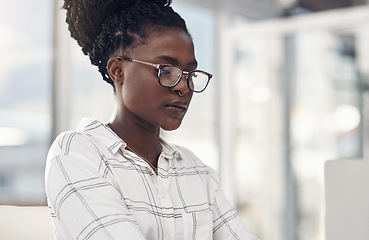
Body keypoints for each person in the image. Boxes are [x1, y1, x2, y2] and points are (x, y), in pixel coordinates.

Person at [45, 0, 259, 239]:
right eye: (166, 70)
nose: (183, 87)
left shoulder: (195, 170)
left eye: (190, 74)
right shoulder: (77, 154)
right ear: (118, 71)